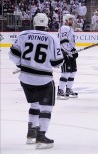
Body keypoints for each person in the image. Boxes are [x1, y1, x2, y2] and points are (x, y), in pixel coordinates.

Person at [9, 13, 64, 149]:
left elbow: (12, 55)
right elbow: (57, 62)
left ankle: (31, 134)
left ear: (34, 22)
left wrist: (21, 64)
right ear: (47, 24)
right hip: (43, 80)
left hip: (26, 79)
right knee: (46, 108)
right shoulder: (52, 38)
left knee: (34, 105)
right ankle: (41, 137)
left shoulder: (23, 34)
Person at [57, 14, 79, 100]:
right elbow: (63, 41)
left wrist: (73, 50)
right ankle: (61, 90)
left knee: (72, 72)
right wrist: (69, 51)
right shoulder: (64, 28)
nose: (72, 21)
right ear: (66, 20)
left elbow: (69, 42)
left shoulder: (70, 29)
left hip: (69, 53)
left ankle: (68, 89)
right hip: (65, 53)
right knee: (65, 72)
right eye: (70, 19)